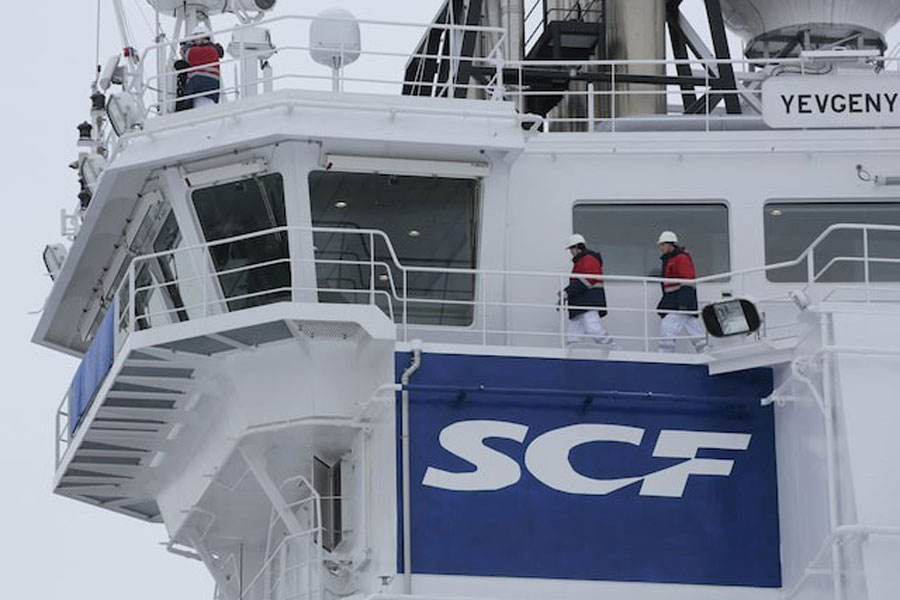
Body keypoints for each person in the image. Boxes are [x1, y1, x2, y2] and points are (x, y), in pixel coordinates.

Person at [562, 234, 619, 349]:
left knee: (593, 328)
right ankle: (572, 351)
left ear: (577, 247)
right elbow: (582, 281)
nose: (571, 252)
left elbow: (588, 279)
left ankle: (613, 348)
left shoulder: (588, 259)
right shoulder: (584, 260)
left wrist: (567, 292)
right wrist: (566, 293)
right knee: (574, 334)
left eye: (571, 249)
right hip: (582, 302)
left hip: (588, 301)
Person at [656, 231, 706, 353]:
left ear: (670, 244)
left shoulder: (680, 259)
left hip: (679, 303)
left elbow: (687, 281)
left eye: (662, 245)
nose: (660, 248)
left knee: (667, 329)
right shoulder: (673, 259)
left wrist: (683, 304)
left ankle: (665, 358)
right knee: (695, 331)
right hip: (679, 302)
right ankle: (705, 351)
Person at [181, 24, 224, 109]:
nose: (194, 41)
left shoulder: (209, 50)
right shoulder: (212, 50)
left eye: (195, 38)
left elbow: (188, 54)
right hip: (204, 91)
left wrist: (186, 46)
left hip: (204, 93)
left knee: (203, 115)